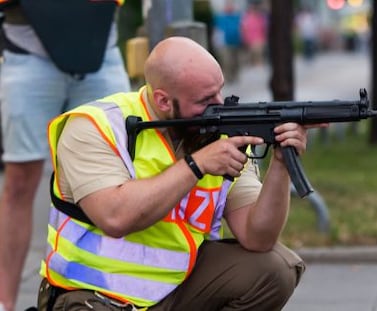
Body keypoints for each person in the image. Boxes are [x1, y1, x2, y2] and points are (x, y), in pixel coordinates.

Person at [37, 36, 326, 311]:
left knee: (274, 269)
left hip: (174, 287)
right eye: (204, 99)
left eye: (219, 90)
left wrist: (280, 163)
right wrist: (196, 165)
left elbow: (257, 237)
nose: (219, 103)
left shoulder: (220, 131)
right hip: (92, 294)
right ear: (163, 101)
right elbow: (115, 217)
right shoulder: (95, 127)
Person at [0, 1, 130, 310]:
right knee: (19, 182)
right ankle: (4, 301)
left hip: (101, 46)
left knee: (119, 171)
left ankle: (112, 295)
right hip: (27, 48)